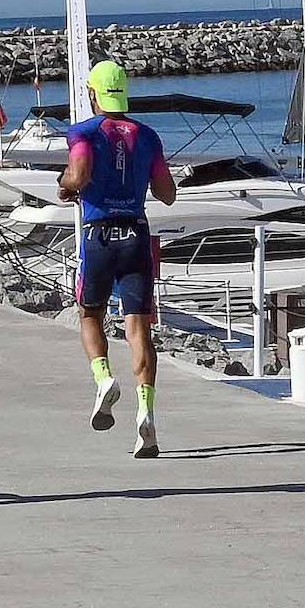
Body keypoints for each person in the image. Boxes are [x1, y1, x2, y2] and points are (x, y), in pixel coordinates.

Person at [58, 61, 177, 457]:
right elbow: (166, 192)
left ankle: (103, 377)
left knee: (89, 313)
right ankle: (147, 414)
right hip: (137, 237)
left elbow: (79, 175)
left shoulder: (84, 132)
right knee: (138, 328)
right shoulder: (147, 136)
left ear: (93, 94)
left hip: (99, 236)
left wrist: (64, 185)